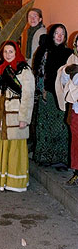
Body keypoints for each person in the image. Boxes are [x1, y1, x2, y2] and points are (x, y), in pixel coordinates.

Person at [0, 41, 35, 192]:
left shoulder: (24, 70)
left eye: (11, 51)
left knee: (15, 150)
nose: (8, 54)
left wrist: (24, 118)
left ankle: (14, 182)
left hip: (15, 116)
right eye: (5, 52)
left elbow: (28, 95)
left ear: (16, 52)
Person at [33, 24, 72, 167]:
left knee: (61, 127)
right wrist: (41, 89)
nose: (59, 36)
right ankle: (45, 156)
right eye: (57, 33)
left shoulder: (69, 53)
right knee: (45, 126)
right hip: (47, 94)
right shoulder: (44, 51)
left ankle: (60, 158)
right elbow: (39, 71)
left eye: (62, 33)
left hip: (62, 95)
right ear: (52, 35)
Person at [55, 33, 78, 184]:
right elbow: (62, 79)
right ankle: (77, 171)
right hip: (76, 107)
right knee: (76, 140)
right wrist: (66, 71)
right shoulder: (73, 59)